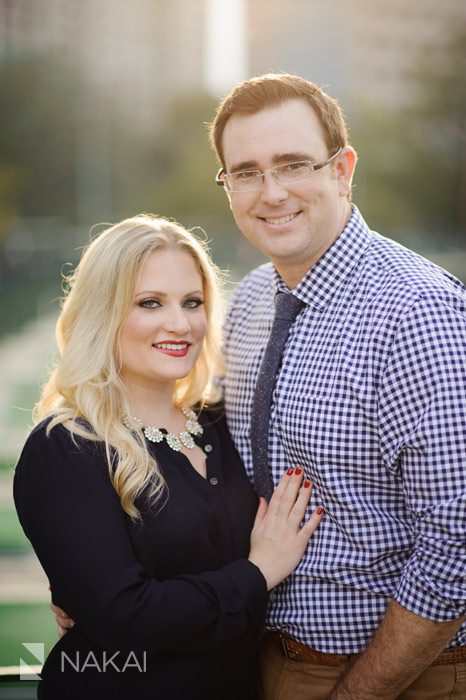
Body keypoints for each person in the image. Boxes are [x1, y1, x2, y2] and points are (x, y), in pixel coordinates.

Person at [207, 74, 466, 699]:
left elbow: (457, 545)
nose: (271, 193)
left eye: (293, 164)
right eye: (245, 172)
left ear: (343, 169)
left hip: (403, 676)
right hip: (263, 660)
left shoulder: (419, 313)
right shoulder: (247, 306)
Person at [14, 214, 323, 700]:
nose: (180, 324)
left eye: (193, 302)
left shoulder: (221, 423)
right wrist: (258, 573)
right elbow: (126, 618)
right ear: (104, 312)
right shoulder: (68, 446)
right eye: (150, 303)